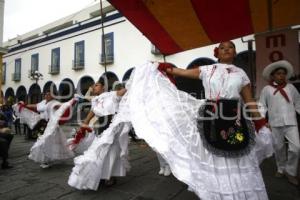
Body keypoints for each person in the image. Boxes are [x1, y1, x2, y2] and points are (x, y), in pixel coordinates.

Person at [144, 41, 273, 199]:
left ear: (234, 53)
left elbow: (249, 100)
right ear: (217, 53)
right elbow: (182, 72)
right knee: (215, 155)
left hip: (235, 118)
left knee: (236, 150)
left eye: (230, 47)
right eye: (222, 48)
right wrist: (162, 66)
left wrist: (260, 122)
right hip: (211, 117)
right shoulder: (207, 69)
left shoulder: (241, 73)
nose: (226, 49)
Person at [68, 79, 130, 190]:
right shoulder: (95, 100)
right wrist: (85, 124)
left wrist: (133, 83)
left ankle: (108, 176)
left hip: (113, 125)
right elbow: (92, 112)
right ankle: (101, 174)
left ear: (103, 88)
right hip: (101, 126)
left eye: (96, 85)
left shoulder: (110, 94)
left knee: (110, 151)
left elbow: (122, 92)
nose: (94, 87)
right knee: (99, 151)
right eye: (93, 85)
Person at [259, 60, 300, 186]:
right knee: (279, 147)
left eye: (283, 73)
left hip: (291, 122)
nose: (281, 76)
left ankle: (290, 171)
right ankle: (281, 168)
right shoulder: (267, 89)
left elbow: (298, 102)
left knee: (296, 148)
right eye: (278, 74)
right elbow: (262, 106)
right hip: (274, 123)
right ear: (273, 76)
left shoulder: (291, 88)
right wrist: (262, 121)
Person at [27, 89, 76, 168]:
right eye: (46, 94)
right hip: (43, 125)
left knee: (47, 142)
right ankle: (47, 159)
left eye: (49, 94)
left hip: (52, 126)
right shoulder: (42, 103)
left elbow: (63, 106)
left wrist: (72, 101)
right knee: (46, 142)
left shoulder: (55, 103)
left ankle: (46, 161)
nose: (47, 95)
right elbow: (35, 106)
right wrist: (24, 105)